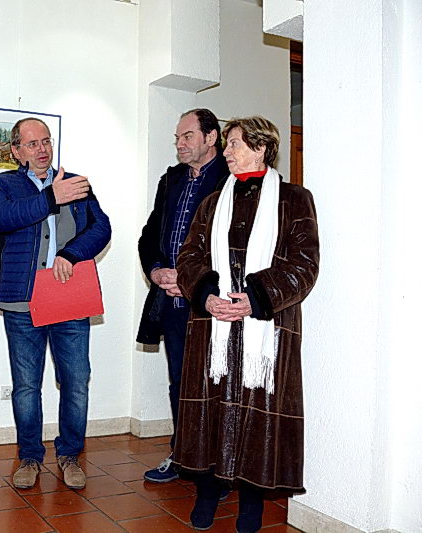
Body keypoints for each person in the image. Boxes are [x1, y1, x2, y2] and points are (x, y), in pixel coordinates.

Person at [173, 116, 319, 532]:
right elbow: (190, 256)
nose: (228, 151)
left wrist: (255, 299)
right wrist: (206, 295)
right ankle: (206, 493)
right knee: (210, 412)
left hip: (266, 329)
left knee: (259, 418)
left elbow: (304, 264)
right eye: (228, 144)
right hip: (214, 325)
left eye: (235, 143)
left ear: (261, 148)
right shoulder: (212, 201)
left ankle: (251, 504)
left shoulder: (294, 200)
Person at [0, 118, 111, 490]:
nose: (42, 149)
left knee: (76, 382)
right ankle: (29, 457)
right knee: (26, 385)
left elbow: (101, 228)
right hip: (21, 300)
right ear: (16, 151)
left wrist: (71, 253)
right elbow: (4, 218)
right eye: (32, 144)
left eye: (46, 141)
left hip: (68, 297)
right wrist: (52, 197)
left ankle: (70, 454)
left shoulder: (77, 183)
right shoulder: (1, 184)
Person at [137, 108, 228, 484]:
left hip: (212, 304)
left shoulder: (232, 178)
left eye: (187, 136)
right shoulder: (171, 180)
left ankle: (220, 469)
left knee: (216, 385)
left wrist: (192, 280)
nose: (180, 143)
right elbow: (151, 232)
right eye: (177, 137)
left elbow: (232, 246)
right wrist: (156, 270)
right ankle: (183, 455)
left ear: (211, 137)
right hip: (173, 304)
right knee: (180, 383)